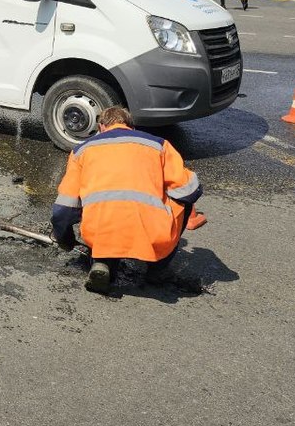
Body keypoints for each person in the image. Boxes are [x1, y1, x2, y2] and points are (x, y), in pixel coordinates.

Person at [51, 105, 203, 294]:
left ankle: (102, 261)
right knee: (183, 203)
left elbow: (63, 209)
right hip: (154, 233)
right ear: (131, 127)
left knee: (101, 215)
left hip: (99, 233)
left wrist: (65, 239)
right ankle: (157, 269)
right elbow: (190, 191)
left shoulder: (81, 151)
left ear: (101, 128)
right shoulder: (159, 145)